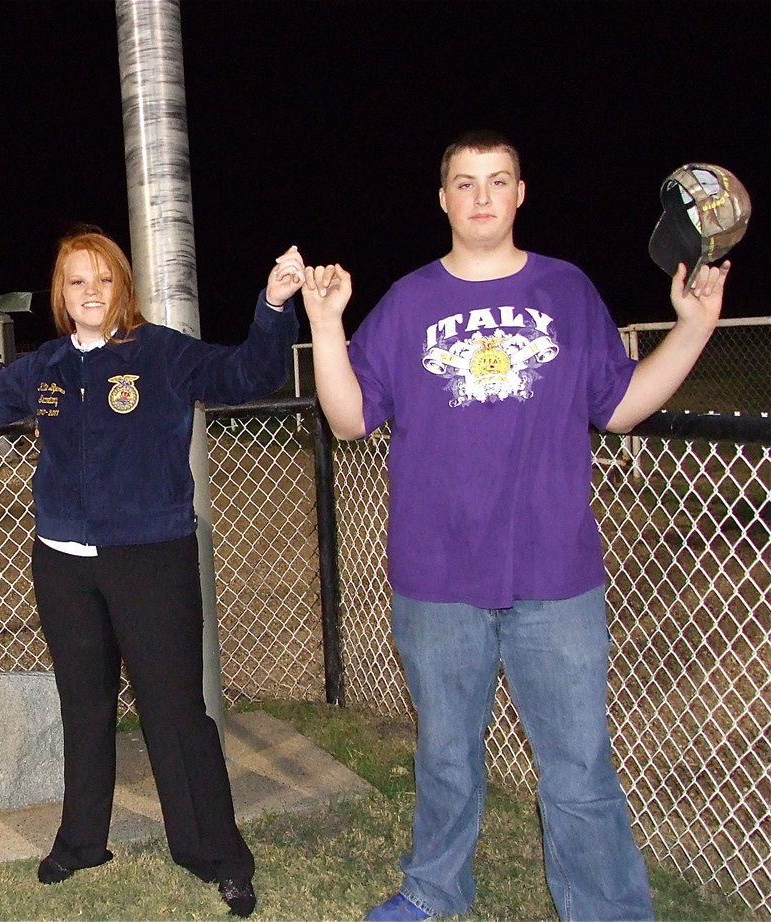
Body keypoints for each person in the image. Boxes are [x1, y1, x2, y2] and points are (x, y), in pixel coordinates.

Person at [300, 130, 730, 922]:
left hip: (555, 576)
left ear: (521, 193)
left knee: (577, 768)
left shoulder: (568, 293)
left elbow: (623, 408)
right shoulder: (408, 302)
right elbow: (351, 419)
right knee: (447, 760)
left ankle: (608, 910)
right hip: (436, 578)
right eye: (465, 183)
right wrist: (328, 325)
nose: (483, 196)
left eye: (498, 180)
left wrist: (695, 327)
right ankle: (433, 892)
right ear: (444, 200)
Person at [0, 229, 302, 917]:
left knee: (175, 713)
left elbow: (247, 375)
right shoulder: (46, 366)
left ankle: (215, 854)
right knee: (84, 707)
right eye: (76, 281)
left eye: (103, 279)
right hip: (63, 564)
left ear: (123, 288)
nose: (90, 291)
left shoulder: (162, 354)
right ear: (61, 294)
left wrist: (272, 304)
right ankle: (83, 841)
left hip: (150, 560)